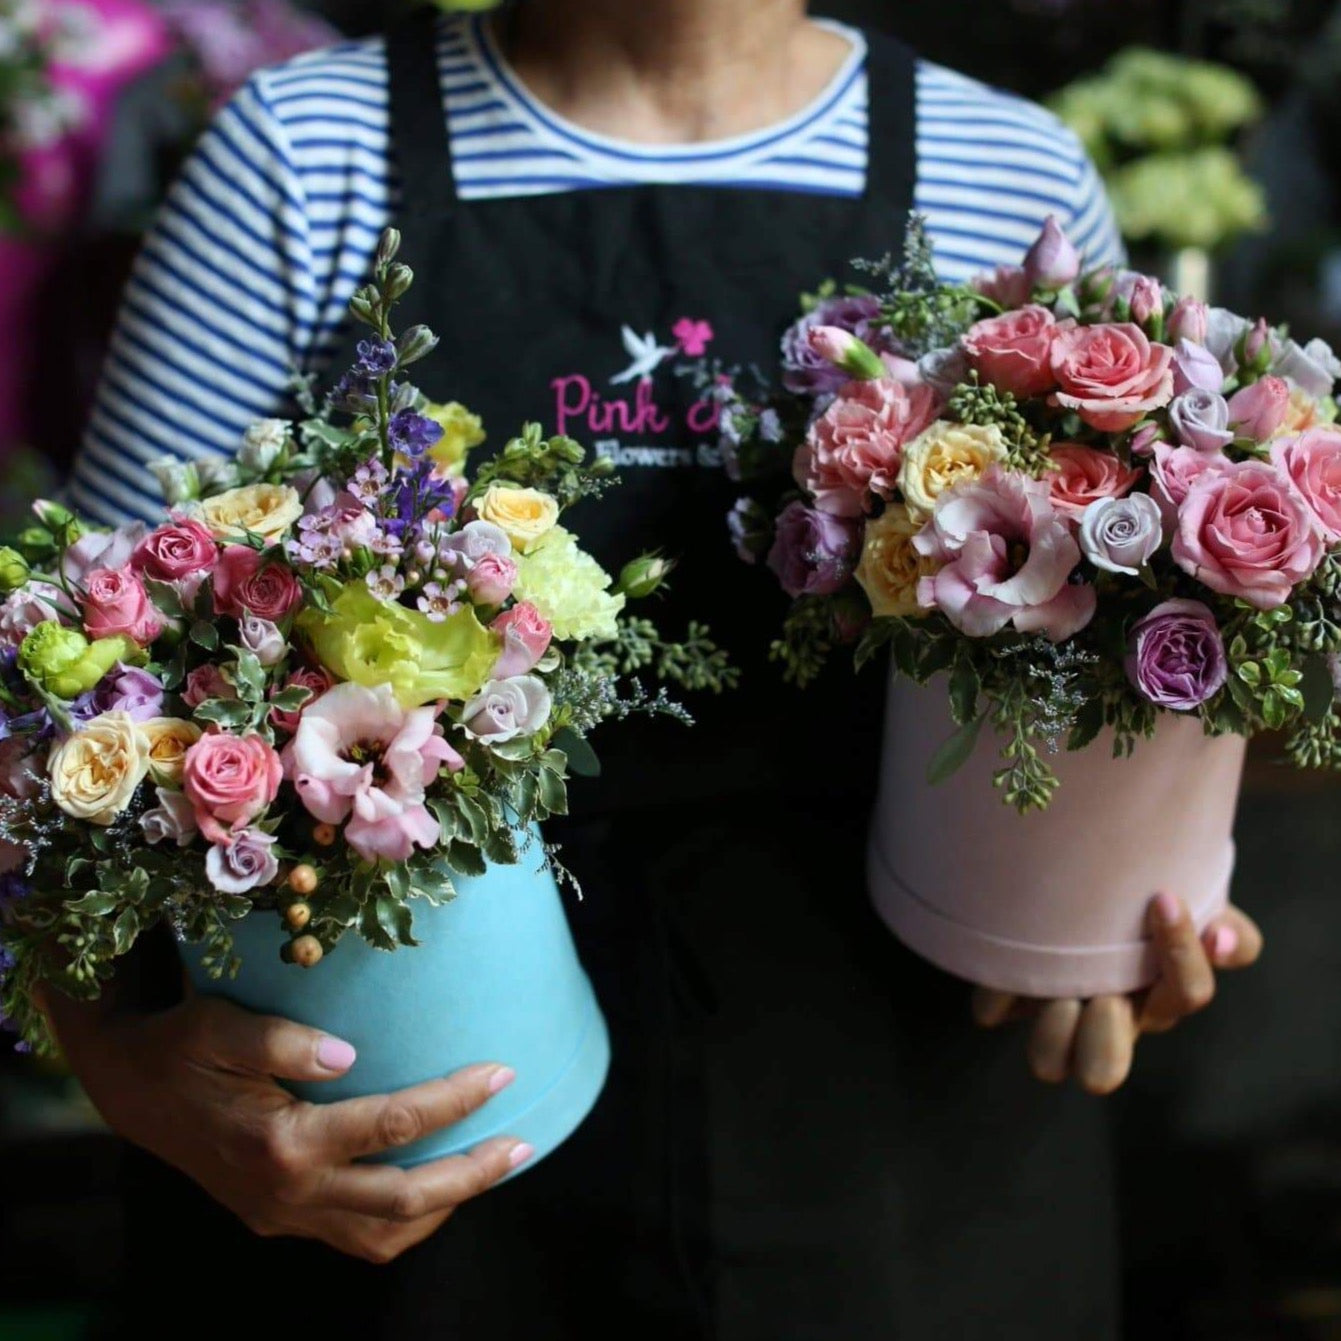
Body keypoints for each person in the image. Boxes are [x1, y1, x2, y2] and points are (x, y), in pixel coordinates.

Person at [55, 3, 1262, 1337]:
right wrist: (128, 1065)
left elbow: (1100, 650)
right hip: (396, 1170)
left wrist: (1099, 918)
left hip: (901, 1180)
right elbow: (69, 710)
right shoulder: (304, 156)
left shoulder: (1001, 172)